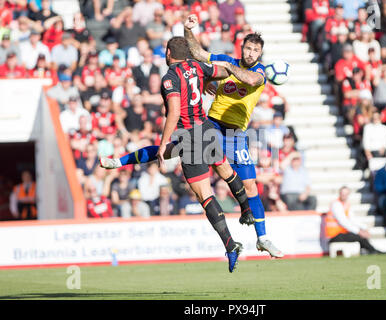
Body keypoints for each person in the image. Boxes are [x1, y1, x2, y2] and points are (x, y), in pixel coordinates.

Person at [101, 15, 284, 258]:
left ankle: (262, 239)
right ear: (242, 47)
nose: (251, 53)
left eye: (255, 50)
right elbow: (196, 52)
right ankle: (120, 162)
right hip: (211, 124)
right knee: (171, 150)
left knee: (250, 185)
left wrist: (224, 69)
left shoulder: (260, 72)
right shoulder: (228, 60)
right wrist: (188, 30)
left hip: (235, 133)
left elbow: (248, 79)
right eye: (248, 48)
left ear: (260, 54)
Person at [325, 186, 382, 255]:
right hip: (334, 235)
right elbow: (343, 222)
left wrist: (364, 228)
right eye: (342, 193)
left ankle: (368, 250)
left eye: (346, 194)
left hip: (341, 233)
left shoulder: (346, 205)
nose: (344, 195)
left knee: (360, 234)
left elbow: (352, 219)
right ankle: (372, 251)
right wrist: (359, 232)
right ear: (339, 194)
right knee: (359, 236)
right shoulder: (336, 204)